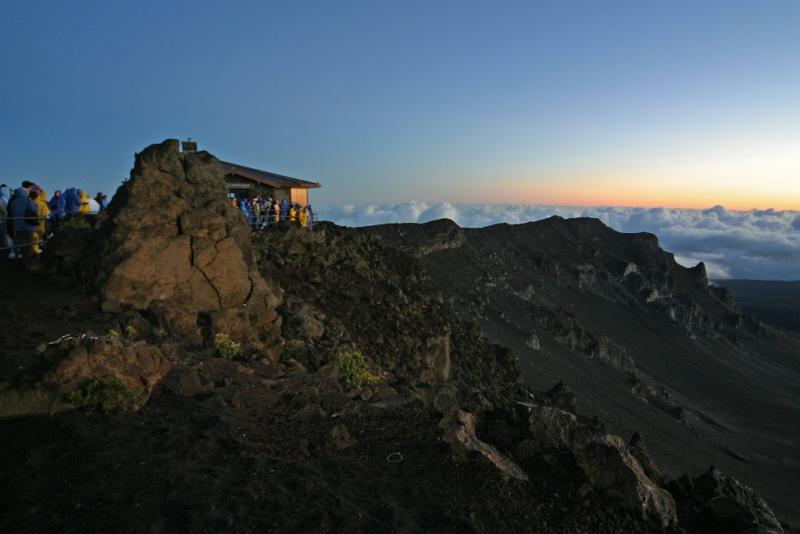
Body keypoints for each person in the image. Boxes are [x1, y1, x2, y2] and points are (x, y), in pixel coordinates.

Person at [7, 185, 38, 258]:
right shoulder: (28, 200)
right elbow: (34, 209)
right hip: (27, 226)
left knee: (19, 244)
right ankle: (28, 260)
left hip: (17, 226)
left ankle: (19, 258)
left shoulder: (13, 202)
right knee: (28, 244)